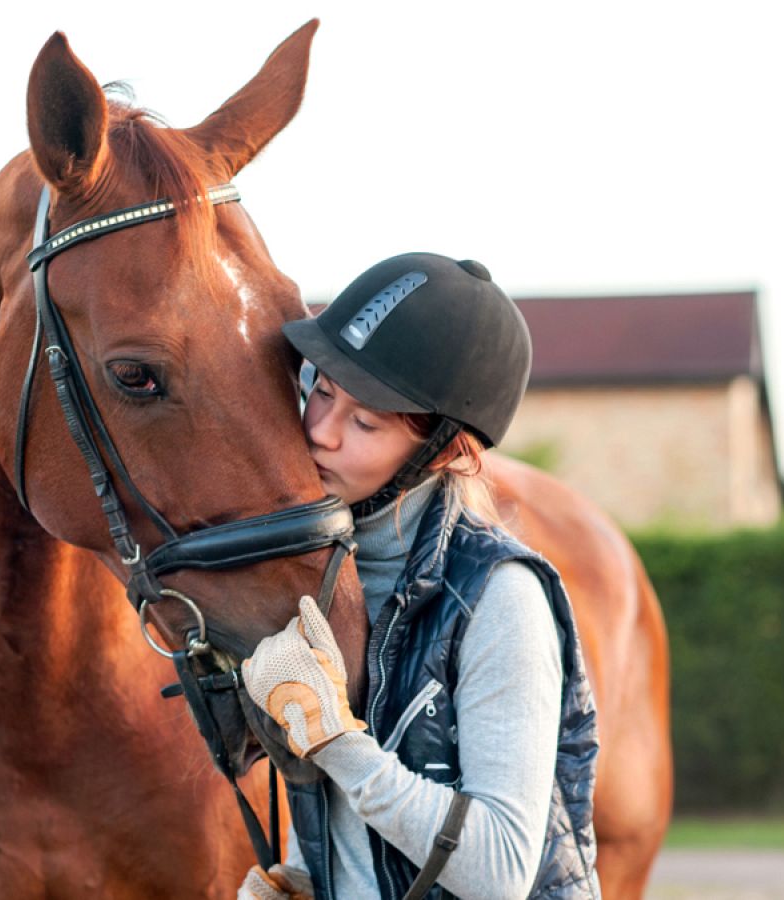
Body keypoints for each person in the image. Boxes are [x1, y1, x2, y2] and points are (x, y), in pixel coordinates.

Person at [236, 253, 601, 900]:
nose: (318, 432)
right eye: (321, 390)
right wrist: (306, 874)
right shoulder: (318, 569)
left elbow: (499, 873)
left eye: (365, 422)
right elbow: (344, 803)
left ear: (445, 453)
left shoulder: (500, 598)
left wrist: (334, 739)